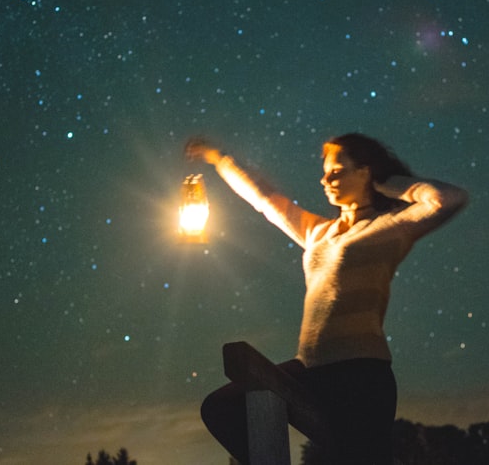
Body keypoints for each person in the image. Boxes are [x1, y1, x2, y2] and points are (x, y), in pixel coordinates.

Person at [186, 133, 469, 464]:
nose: (325, 179)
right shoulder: (318, 233)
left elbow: (449, 198)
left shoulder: (388, 228)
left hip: (360, 374)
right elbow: (266, 200)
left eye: (336, 171)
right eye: (324, 172)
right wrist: (219, 158)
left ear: (364, 172)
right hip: (310, 369)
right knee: (221, 407)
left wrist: (388, 183)